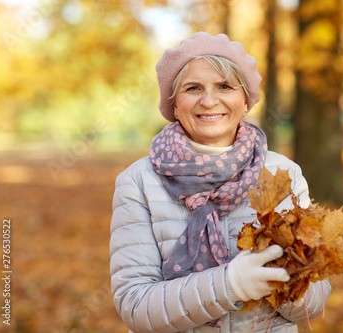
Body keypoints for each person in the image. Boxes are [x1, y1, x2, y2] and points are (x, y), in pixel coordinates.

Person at [110, 31, 331, 333]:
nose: (210, 100)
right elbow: (135, 306)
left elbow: (314, 303)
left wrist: (276, 278)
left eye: (225, 86)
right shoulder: (138, 182)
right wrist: (228, 285)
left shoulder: (283, 174)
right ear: (174, 105)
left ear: (245, 100)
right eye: (193, 88)